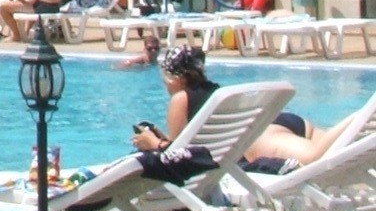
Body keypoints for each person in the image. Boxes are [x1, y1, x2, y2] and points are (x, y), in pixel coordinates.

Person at [131, 43, 361, 169]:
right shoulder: (216, 90)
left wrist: (153, 143)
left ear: (175, 79)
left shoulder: (180, 98)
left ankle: (362, 116)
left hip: (260, 138)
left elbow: (176, 157)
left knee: (315, 159)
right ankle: (364, 123)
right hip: (285, 121)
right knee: (344, 146)